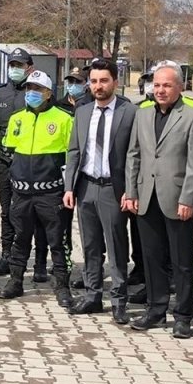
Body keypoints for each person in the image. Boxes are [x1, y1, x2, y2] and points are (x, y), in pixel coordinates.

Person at [123, 64, 193, 337]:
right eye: (157, 85)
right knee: (152, 258)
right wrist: (132, 192)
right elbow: (133, 155)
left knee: (182, 261)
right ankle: (156, 309)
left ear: (180, 87)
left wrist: (188, 198)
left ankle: (183, 314)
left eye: (167, 85)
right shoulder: (142, 115)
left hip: (177, 199)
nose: (160, 90)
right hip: (147, 198)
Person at [63, 58, 136, 322]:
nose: (98, 86)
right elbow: (73, 151)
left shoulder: (129, 112)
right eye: (94, 81)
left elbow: (133, 155)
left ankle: (119, 300)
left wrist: (130, 189)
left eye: (104, 80)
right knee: (91, 246)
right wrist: (69, 186)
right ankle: (93, 296)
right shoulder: (82, 112)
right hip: (86, 187)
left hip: (113, 190)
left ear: (115, 82)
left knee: (117, 247)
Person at [0, 69, 73, 305]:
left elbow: (73, 158)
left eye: (38, 89)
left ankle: (62, 286)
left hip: (50, 193)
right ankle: (16, 281)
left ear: (48, 93)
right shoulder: (18, 118)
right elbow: (8, 153)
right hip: (21, 193)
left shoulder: (64, 119)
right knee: (21, 239)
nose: (32, 93)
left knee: (58, 242)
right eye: (29, 88)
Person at [0, 47, 33, 276]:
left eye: (20, 65)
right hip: (5, 163)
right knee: (7, 212)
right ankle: (7, 256)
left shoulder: (36, 92)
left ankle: (33, 260)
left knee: (28, 213)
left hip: (29, 164)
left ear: (29, 68)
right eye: (12, 65)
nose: (15, 69)